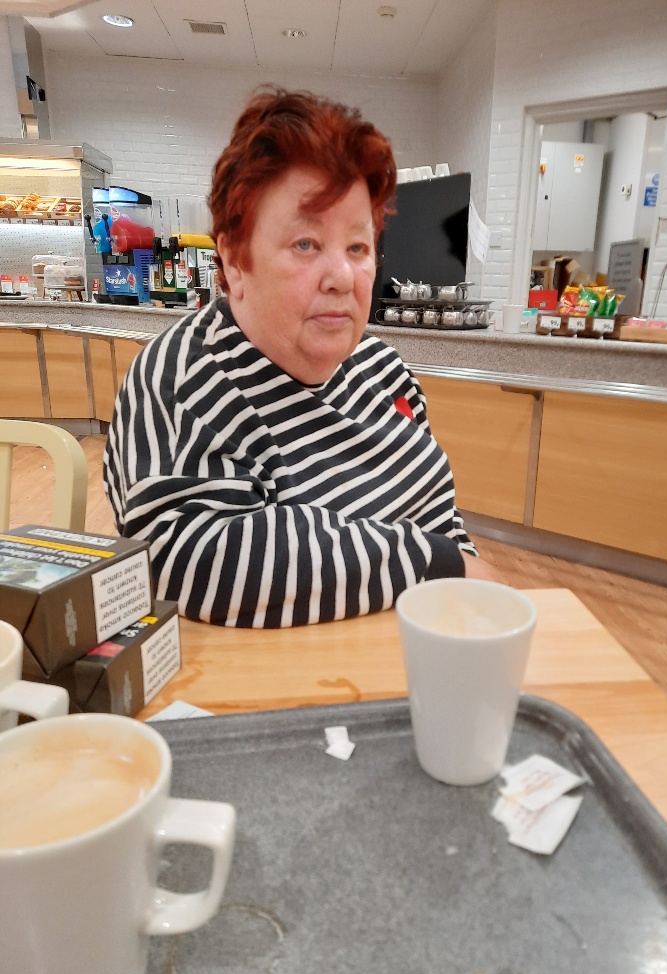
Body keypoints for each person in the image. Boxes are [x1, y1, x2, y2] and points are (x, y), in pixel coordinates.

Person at [104, 87, 501, 628]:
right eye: (306, 245)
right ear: (234, 260)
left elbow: (439, 520)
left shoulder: (385, 372)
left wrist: (469, 600)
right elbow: (188, 558)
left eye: (358, 247)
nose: (343, 277)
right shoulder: (178, 383)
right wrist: (433, 564)